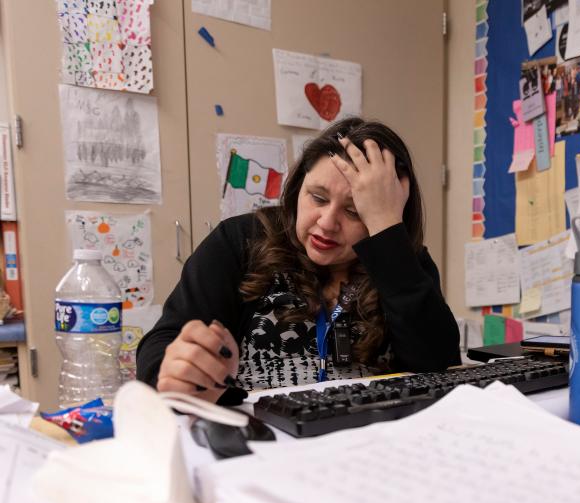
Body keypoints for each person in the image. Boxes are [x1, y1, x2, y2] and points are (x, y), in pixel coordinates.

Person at [137, 118, 461, 403]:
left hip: (369, 445)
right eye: (317, 197)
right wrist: (177, 371)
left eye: (354, 211)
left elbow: (438, 368)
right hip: (258, 442)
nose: (327, 222)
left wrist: (388, 236)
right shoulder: (239, 241)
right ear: (297, 188)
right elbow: (160, 346)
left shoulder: (404, 261)